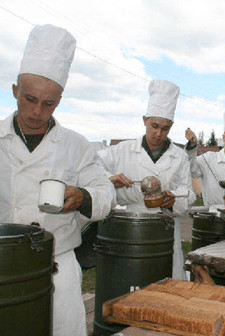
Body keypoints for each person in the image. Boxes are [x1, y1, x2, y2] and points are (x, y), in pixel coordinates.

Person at [0, 24, 115, 336]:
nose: (37, 111)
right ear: (14, 91)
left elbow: (107, 194)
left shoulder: (76, 145)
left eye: (48, 103)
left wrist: (83, 197)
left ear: (60, 99)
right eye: (29, 99)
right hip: (3, 266)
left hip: (57, 266)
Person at [97, 79, 196, 280]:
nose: (158, 134)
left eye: (165, 128)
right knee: (134, 281)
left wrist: (174, 200)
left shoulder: (179, 156)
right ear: (145, 120)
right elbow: (92, 167)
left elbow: (189, 193)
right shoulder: (122, 151)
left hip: (166, 226)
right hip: (132, 228)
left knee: (167, 283)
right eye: (154, 126)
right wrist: (110, 179)